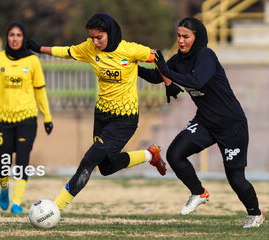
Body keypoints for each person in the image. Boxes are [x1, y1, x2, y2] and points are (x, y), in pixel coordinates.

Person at [26, 13, 167, 211]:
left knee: (88, 161)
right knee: (107, 167)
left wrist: (167, 81)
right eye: (92, 37)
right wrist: (38, 48)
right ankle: (150, 155)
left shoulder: (130, 49)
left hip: (124, 119)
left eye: (99, 37)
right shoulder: (90, 49)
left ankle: (54, 209)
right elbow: (66, 51)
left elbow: (157, 56)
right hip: (101, 116)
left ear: (110, 33)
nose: (95, 41)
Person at [138, 17, 264, 228]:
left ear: (197, 38)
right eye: (178, 35)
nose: (180, 40)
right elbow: (156, 76)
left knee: (236, 179)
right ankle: (199, 192)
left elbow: (197, 81)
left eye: (186, 36)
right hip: (206, 121)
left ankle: (255, 214)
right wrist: (131, 67)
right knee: (174, 155)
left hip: (231, 124)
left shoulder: (206, 55)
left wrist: (165, 69)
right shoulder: (178, 59)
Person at [0, 22, 53, 214]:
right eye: (12, 35)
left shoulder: (33, 61)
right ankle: (4, 189)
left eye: (19, 35)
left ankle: (16, 203)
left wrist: (47, 116)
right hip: (4, 119)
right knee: (3, 162)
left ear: (24, 38)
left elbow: (40, 91)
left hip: (27, 119)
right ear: (7, 37)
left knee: (22, 160)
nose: (15, 39)